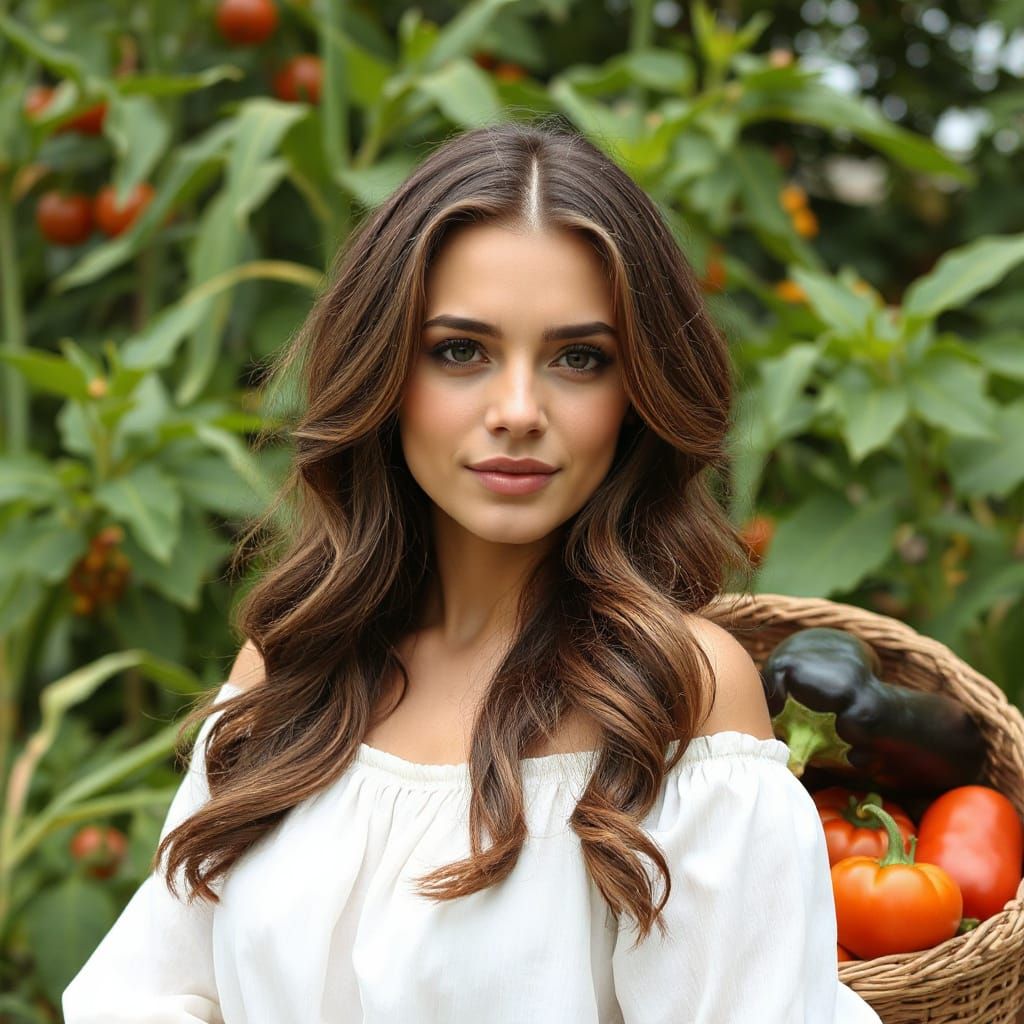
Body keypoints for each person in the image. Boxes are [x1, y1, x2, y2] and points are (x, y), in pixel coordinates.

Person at [62, 119, 882, 1023]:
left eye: (580, 358)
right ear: (385, 370)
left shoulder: (678, 693)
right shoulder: (292, 664)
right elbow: (149, 993)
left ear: (636, 393)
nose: (519, 410)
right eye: (461, 351)